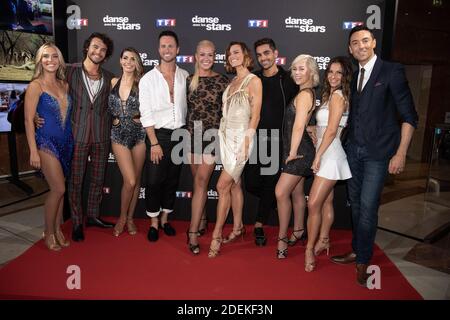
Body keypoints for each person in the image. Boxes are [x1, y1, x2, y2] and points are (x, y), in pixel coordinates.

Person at [331, 25, 418, 287]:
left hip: (378, 154)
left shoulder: (392, 71)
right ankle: (358, 249)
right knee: (356, 205)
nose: (360, 46)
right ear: (350, 48)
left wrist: (401, 153)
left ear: (374, 42)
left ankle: (363, 259)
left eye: (365, 41)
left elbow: (409, 117)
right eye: (355, 43)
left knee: (368, 207)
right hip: (353, 151)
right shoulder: (353, 74)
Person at [208, 41, 262, 258]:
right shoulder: (232, 82)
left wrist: (247, 143)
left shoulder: (253, 81)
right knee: (234, 185)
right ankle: (238, 227)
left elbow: (255, 115)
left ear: (246, 55)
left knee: (222, 186)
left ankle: (216, 235)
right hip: (225, 138)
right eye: (229, 54)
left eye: (236, 52)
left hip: (242, 141)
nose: (232, 56)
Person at [245, 38, 299, 247]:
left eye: (266, 53)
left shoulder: (288, 79)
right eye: (259, 55)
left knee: (268, 183)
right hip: (255, 138)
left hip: (277, 141)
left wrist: (309, 126)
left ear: (275, 53)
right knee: (251, 182)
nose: (263, 58)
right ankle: (274, 201)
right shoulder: (254, 78)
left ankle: (259, 225)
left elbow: (300, 107)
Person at [139, 30, 189, 242]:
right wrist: (154, 143)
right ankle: (153, 223)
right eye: (163, 46)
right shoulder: (148, 79)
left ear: (177, 49)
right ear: (158, 49)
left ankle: (166, 219)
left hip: (180, 135)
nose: (167, 49)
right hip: (157, 136)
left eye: (171, 46)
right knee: (153, 182)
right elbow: (146, 113)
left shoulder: (186, 76)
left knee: (172, 180)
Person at [304, 56, 353, 272]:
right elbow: (327, 127)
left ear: (345, 77)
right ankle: (324, 239)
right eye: (331, 72)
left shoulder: (338, 97)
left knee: (313, 204)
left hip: (330, 156)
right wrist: (314, 130)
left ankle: (309, 248)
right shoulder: (329, 95)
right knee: (326, 202)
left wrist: (317, 157)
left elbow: (333, 131)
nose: (333, 76)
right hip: (325, 152)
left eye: (339, 73)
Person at [24, 42, 73, 251]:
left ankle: (59, 229)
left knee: (61, 189)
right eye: (45, 57)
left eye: (54, 56)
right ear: (40, 61)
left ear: (59, 60)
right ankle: (48, 232)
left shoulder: (65, 84)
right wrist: (33, 150)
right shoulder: (36, 85)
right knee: (58, 188)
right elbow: (28, 120)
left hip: (66, 143)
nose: (50, 60)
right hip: (46, 143)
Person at [66, 33, 115, 241]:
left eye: (103, 50)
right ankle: (77, 221)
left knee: (97, 179)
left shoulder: (109, 76)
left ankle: (93, 216)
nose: (98, 52)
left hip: (101, 135)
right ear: (87, 47)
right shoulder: (69, 71)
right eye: (95, 47)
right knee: (76, 181)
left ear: (106, 54)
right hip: (77, 134)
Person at [185, 40, 229, 254]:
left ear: (215, 57)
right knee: (197, 183)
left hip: (212, 137)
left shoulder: (222, 81)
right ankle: (202, 217)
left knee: (202, 180)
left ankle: (192, 232)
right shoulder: (187, 81)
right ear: (196, 56)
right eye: (202, 54)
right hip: (192, 137)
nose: (206, 59)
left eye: (210, 55)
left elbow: (229, 112)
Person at [275, 54, 319, 261]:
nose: (297, 73)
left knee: (281, 192)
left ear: (311, 71)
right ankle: (299, 229)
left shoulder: (304, 95)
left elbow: (299, 126)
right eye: (294, 69)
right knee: (297, 193)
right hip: (299, 149)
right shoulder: (306, 93)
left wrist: (292, 153)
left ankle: (282, 238)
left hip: (299, 152)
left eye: (302, 68)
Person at [108, 47, 146, 237]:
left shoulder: (142, 84)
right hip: (118, 135)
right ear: (121, 61)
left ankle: (130, 218)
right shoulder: (113, 82)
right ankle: (122, 217)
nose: (128, 62)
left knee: (136, 180)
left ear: (137, 63)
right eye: (125, 58)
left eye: (133, 58)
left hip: (139, 135)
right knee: (129, 180)